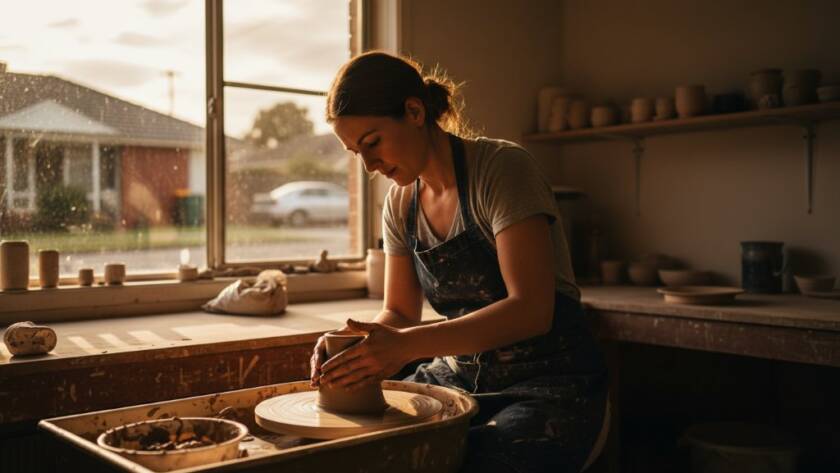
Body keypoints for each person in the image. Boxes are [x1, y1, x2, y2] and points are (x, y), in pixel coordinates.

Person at [310, 51, 608, 473]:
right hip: (458, 376)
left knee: (482, 461)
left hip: (548, 381)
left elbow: (532, 310)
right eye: (356, 152)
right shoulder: (400, 203)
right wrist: (356, 346)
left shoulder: (502, 169)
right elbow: (399, 313)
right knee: (369, 448)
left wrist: (405, 346)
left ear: (415, 112)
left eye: (372, 142)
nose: (369, 166)